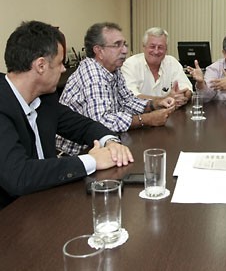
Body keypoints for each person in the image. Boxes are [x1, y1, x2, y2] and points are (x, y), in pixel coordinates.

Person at [0, 21, 134, 209]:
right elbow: (19, 176)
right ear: (40, 65)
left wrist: (109, 141)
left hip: (47, 201)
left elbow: (83, 126)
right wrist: (92, 160)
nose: (64, 69)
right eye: (60, 63)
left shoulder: (45, 98)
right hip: (11, 217)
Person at [56, 22, 175, 156]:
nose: (124, 50)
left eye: (124, 44)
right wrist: (147, 119)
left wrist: (154, 104)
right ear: (99, 51)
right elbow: (102, 121)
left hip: (104, 144)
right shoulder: (92, 74)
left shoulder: (113, 69)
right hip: (77, 154)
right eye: (117, 45)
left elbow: (127, 101)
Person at [121, 27, 192, 108]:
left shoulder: (172, 62)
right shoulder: (130, 64)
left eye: (160, 47)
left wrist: (183, 96)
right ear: (144, 47)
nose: (156, 51)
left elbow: (187, 88)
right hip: (140, 116)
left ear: (166, 49)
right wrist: (163, 99)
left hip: (169, 114)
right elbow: (131, 97)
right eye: (152, 46)